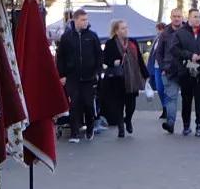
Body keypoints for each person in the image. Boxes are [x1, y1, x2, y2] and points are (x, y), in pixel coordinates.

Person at [53, 9, 103, 142]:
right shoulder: (67, 37)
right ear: (75, 20)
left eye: (86, 19)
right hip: (72, 77)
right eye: (82, 20)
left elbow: (99, 55)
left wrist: (98, 72)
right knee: (74, 103)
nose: (85, 22)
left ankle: (90, 126)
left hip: (89, 76)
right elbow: (61, 57)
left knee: (88, 103)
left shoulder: (92, 36)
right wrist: (62, 75)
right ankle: (74, 133)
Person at [97, 19, 146, 138]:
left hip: (132, 79)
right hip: (117, 79)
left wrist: (146, 75)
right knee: (118, 104)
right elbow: (105, 59)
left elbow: (139, 59)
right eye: (123, 28)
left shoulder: (132, 42)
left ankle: (127, 119)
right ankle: (121, 127)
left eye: (126, 27)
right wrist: (113, 62)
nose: (125, 30)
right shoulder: (110, 43)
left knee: (131, 105)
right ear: (116, 31)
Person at [176, 16, 200, 137]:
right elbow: (175, 50)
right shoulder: (180, 33)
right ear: (189, 18)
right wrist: (190, 55)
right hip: (186, 71)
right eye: (195, 17)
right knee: (186, 99)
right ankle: (186, 125)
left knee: (199, 98)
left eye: (199, 17)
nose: (197, 19)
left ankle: (199, 125)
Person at [154, 9, 187, 132]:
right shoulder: (165, 33)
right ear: (171, 17)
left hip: (186, 70)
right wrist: (163, 67)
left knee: (187, 98)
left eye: (179, 16)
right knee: (171, 98)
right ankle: (170, 122)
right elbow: (158, 53)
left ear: (182, 17)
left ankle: (187, 125)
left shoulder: (187, 32)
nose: (177, 18)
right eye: (174, 16)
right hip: (169, 71)